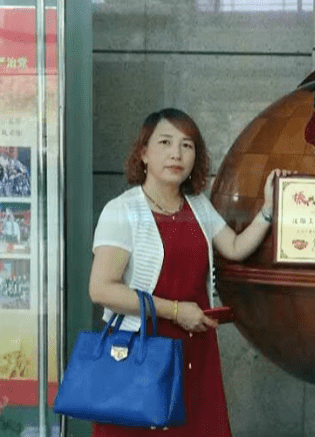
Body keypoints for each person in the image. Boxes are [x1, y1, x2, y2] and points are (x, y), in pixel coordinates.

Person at [89, 108, 290, 436]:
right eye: (165, 142)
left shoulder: (198, 206)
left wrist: (268, 209)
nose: (176, 153)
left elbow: (235, 247)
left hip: (195, 349)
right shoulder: (122, 210)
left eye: (187, 145)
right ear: (143, 153)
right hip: (141, 352)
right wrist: (176, 311)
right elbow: (101, 289)